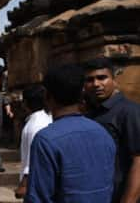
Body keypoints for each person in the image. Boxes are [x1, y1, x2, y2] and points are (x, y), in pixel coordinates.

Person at [25, 64, 116, 202]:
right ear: (82, 94)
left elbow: (38, 197)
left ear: (47, 96)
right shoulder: (103, 133)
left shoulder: (46, 139)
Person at [83, 58, 140, 203]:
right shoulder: (90, 114)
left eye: (102, 78)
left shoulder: (128, 111)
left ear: (114, 80)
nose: (96, 84)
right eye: (90, 80)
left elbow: (138, 160)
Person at [14, 84, 52, 199]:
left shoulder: (35, 125)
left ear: (25, 103)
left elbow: (33, 160)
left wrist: (24, 185)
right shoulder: (44, 119)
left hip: (35, 186)